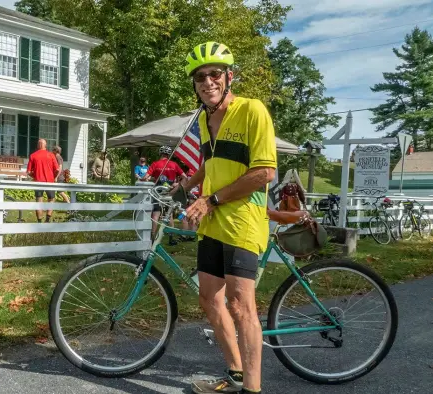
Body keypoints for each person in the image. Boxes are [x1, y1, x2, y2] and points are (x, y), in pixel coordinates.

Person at [175, 42, 277, 394]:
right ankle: (235, 374)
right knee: (208, 298)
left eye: (215, 74)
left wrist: (211, 199)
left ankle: (252, 388)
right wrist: (186, 185)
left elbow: (264, 172)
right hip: (213, 222)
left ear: (229, 76)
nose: (208, 81)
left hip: (242, 220)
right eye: (200, 77)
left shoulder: (253, 110)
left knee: (240, 304)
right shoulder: (204, 119)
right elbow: (211, 162)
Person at [143, 145, 187, 238]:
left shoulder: (155, 164)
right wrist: (177, 184)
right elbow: (185, 177)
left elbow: (146, 177)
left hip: (158, 192)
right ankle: (171, 237)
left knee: (155, 214)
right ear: (169, 154)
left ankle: (152, 237)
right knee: (169, 214)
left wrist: (144, 179)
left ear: (160, 153)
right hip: (170, 192)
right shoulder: (174, 164)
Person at [27, 139, 59, 223]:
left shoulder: (33, 155)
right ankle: (47, 220)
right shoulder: (51, 155)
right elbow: (57, 170)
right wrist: (53, 177)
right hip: (50, 182)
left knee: (39, 201)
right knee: (51, 200)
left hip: (38, 182)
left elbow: (29, 172)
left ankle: (39, 222)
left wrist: (35, 176)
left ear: (38, 145)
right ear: (46, 145)